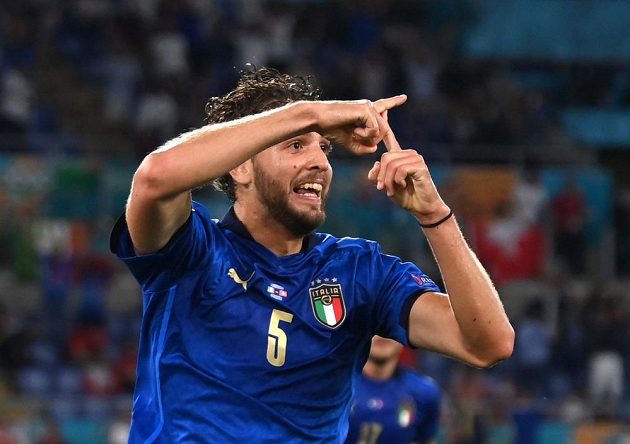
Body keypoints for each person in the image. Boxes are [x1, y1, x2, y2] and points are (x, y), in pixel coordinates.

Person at [110, 66, 514, 442]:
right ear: (240, 168)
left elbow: (488, 343)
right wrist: (310, 113)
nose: (320, 162)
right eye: (296, 145)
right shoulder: (190, 252)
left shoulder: (359, 272)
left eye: (324, 148)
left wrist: (434, 216)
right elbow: (154, 178)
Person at [346, 336, 441, 444]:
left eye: (389, 327)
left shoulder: (424, 392)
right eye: (376, 326)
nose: (382, 335)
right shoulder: (334, 385)